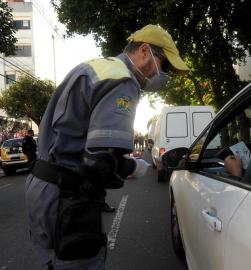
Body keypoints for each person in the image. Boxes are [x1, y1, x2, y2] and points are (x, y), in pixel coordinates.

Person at [25, 24, 188, 270]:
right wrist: (133, 166)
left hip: (42, 188)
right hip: (68, 198)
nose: (163, 75)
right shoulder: (122, 80)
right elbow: (99, 166)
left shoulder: (96, 67)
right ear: (144, 51)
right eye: (163, 65)